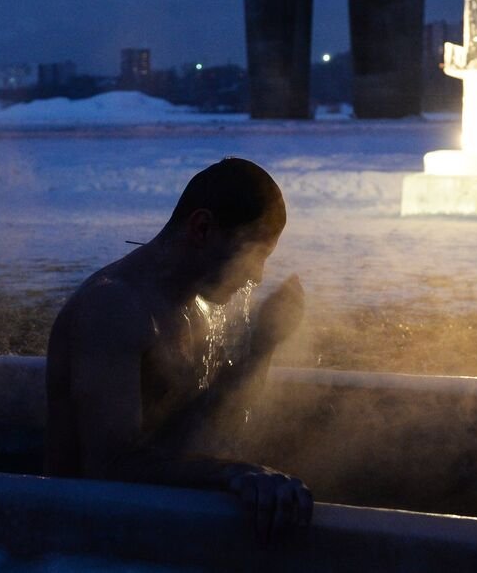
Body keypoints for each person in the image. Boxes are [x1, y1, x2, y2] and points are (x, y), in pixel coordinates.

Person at [44, 157, 313, 542]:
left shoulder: (198, 308)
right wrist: (233, 472)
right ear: (201, 228)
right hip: (82, 538)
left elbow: (208, 426)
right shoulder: (113, 308)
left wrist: (263, 348)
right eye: (253, 255)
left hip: (156, 523)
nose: (256, 276)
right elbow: (108, 468)